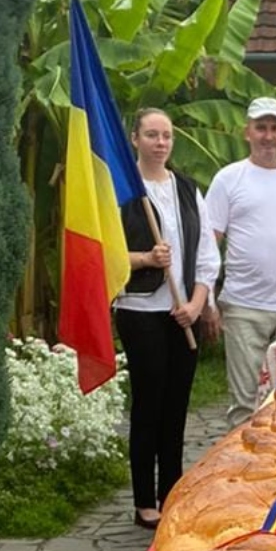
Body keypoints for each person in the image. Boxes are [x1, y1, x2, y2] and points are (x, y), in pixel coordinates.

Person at [198, 96, 276, 427]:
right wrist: (207, 299)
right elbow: (210, 243)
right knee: (245, 405)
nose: (268, 136)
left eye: (274, 128)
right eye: (261, 128)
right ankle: (239, 475)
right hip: (243, 307)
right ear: (247, 132)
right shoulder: (228, 179)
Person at [113, 106, 209, 529]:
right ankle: (143, 499)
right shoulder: (122, 191)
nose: (160, 143)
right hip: (139, 310)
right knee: (149, 405)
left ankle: (172, 489)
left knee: (177, 406)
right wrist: (144, 258)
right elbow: (105, 254)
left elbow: (206, 255)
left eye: (166, 135)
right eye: (151, 135)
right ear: (135, 139)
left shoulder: (188, 189)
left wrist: (197, 303)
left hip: (181, 312)